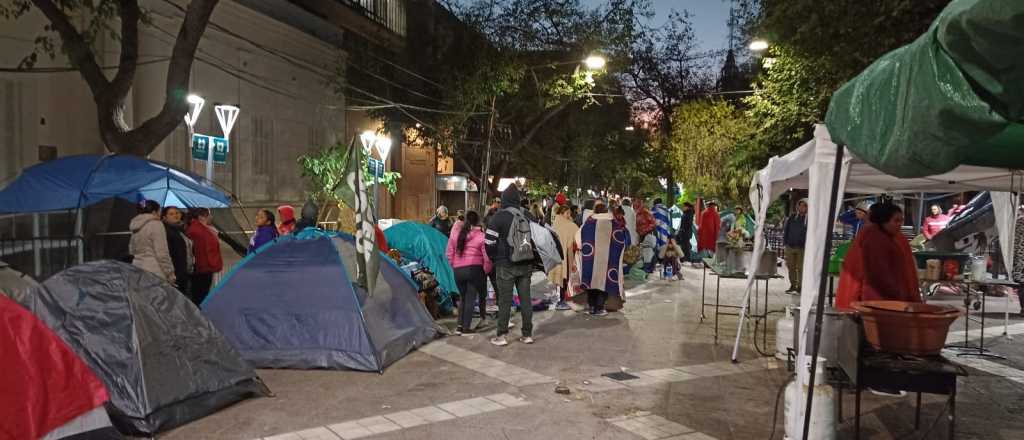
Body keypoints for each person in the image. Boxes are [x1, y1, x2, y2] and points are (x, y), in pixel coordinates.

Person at [836, 203, 921, 310]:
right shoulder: (875, 238)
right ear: (883, 220)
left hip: (885, 298)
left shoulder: (893, 237)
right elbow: (879, 274)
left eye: (901, 220)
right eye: (896, 220)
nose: (900, 224)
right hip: (879, 300)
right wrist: (898, 294)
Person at [484, 184, 535, 346]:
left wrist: (494, 258)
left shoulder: (499, 217)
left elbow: (489, 242)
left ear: (504, 200)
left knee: (505, 300)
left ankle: (501, 336)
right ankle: (527, 334)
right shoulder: (527, 215)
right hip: (526, 264)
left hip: (505, 265)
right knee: (525, 299)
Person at [576, 203, 628, 316]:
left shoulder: (588, 222)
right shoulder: (613, 223)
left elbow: (579, 239)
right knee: (604, 283)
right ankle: (600, 308)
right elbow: (620, 241)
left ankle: (592, 307)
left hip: (590, 258)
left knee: (591, 282)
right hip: (607, 259)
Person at [446, 211, 492, 335]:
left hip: (458, 271)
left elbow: (449, 254)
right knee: (470, 298)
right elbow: (487, 258)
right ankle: (466, 327)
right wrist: (486, 270)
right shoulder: (481, 236)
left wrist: (455, 265)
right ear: (478, 222)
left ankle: (459, 326)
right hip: (474, 269)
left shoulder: (456, 235)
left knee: (463, 297)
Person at [129, 200, 175, 282]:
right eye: (159, 211)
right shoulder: (156, 224)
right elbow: (162, 253)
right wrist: (170, 273)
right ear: (154, 212)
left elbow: (131, 250)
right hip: (154, 270)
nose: (159, 214)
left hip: (136, 268)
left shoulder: (135, 226)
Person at [187, 208, 222, 305]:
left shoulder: (200, 228)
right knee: (200, 295)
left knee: (201, 294)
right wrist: (213, 264)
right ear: (201, 217)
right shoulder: (198, 230)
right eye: (208, 215)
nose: (211, 217)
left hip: (202, 267)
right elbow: (203, 250)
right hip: (202, 268)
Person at [550, 205, 579, 311]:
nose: (569, 215)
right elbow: (578, 235)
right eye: (567, 213)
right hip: (566, 255)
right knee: (564, 277)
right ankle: (562, 301)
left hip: (556, 255)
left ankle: (561, 300)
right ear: (562, 214)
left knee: (561, 278)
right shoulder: (569, 225)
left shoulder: (555, 223)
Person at [161, 206, 193, 294]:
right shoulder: (166, 231)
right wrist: (172, 274)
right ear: (164, 217)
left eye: (177, 213)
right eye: (171, 214)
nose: (175, 215)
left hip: (184, 272)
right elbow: (166, 254)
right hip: (176, 274)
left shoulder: (179, 229)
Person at [782, 199, 809, 294]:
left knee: (800, 268)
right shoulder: (793, 217)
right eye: (800, 205)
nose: (802, 208)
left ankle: (801, 286)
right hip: (790, 245)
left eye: (804, 206)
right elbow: (787, 230)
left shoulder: (808, 219)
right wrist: (785, 242)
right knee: (791, 266)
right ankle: (793, 285)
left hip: (801, 247)